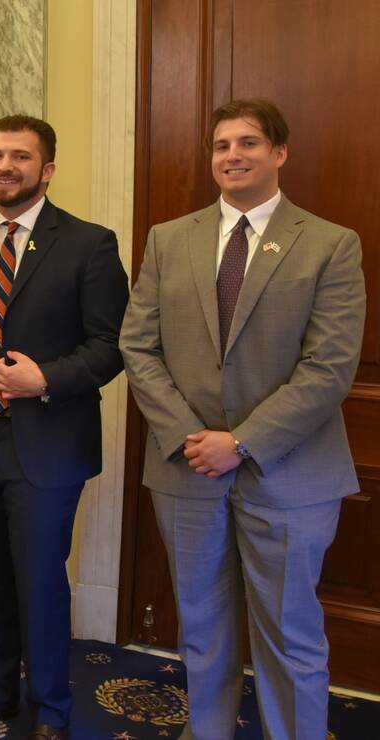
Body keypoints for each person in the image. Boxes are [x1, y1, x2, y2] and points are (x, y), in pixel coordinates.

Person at [120, 98, 366, 740]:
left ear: (279, 153)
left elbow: (330, 367)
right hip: (187, 469)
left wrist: (243, 442)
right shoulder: (167, 240)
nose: (233, 155)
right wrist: (188, 437)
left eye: (249, 143)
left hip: (291, 477)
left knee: (289, 635)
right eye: (223, 144)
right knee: (201, 630)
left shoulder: (332, 245)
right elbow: (137, 347)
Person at [0, 115, 129, 740]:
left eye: (20, 156)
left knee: (41, 583)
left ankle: (51, 712)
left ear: (46, 170)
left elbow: (112, 346)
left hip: (47, 447)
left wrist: (44, 378)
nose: (4, 166)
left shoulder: (89, 244)